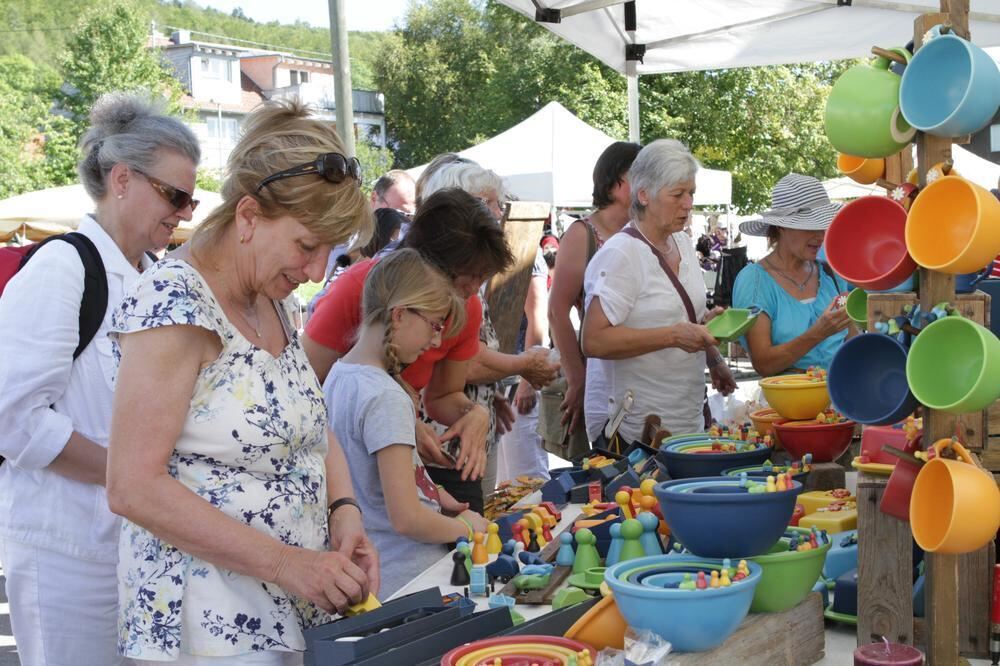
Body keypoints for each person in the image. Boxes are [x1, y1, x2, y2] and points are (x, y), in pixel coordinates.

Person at [106, 99, 379, 662]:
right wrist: (285, 563)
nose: (314, 272)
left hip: (286, 614)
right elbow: (132, 486)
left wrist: (344, 511)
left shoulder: (268, 298)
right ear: (249, 215)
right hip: (207, 633)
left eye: (327, 253)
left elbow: (307, 422)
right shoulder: (175, 301)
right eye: (307, 247)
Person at [0, 91, 200, 665]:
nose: (185, 211)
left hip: (136, 547)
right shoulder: (62, 268)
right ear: (121, 180)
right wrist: (131, 476)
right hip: (67, 553)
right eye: (175, 195)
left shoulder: (154, 277)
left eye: (188, 199)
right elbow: (13, 420)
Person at [304, 188, 515, 512]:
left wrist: (475, 413)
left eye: (482, 278)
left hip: (409, 460)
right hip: (347, 472)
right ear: (424, 262)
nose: (473, 290)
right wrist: (391, 419)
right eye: (466, 277)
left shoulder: (466, 307)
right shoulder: (359, 287)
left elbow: (442, 396)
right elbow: (303, 391)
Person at [327, 248, 489, 597]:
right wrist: (465, 526)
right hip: (411, 581)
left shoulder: (339, 376)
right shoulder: (385, 397)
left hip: (378, 579)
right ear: (399, 315)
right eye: (434, 326)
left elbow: (370, 481)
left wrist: (436, 494)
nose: (435, 341)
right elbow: (406, 518)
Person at [417, 161, 558, 496]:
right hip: (444, 439)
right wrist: (524, 365)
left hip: (466, 426)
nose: (499, 212)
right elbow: (461, 361)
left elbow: (461, 357)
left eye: (498, 203)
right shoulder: (436, 278)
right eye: (489, 203)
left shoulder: (465, 269)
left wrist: (486, 395)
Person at [581, 139, 737, 441]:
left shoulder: (681, 243)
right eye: (677, 194)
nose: (688, 203)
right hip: (636, 431)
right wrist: (672, 336)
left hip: (685, 419)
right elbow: (593, 340)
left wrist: (712, 353)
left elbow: (681, 314)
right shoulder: (622, 254)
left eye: (691, 193)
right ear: (644, 195)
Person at [548, 141, 642, 442]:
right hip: (603, 373)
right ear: (616, 183)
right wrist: (577, 378)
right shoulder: (583, 234)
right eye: (640, 175)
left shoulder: (644, 232)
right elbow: (556, 311)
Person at [732, 173, 855, 376]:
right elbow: (764, 363)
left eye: (822, 225)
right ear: (781, 227)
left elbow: (851, 340)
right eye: (809, 226)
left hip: (841, 401)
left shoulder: (830, 274)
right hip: (788, 405)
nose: (820, 235)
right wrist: (818, 333)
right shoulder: (755, 281)